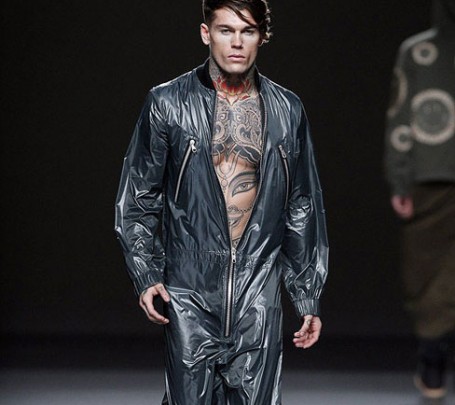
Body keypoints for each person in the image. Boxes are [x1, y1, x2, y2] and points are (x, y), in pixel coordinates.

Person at [115, 1, 329, 403]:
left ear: (262, 37)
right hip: (189, 290)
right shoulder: (167, 103)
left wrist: (306, 293)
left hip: (258, 288)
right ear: (206, 33)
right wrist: (146, 272)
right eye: (226, 30)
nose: (237, 42)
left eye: (248, 31)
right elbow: (140, 195)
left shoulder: (288, 110)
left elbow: (301, 205)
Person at [384, 0, 455, 399]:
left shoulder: (417, 51)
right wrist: (400, 181)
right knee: (429, 275)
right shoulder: (417, 51)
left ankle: (432, 362)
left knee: (427, 277)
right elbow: (402, 118)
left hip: (430, 177)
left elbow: (401, 120)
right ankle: (433, 359)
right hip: (431, 180)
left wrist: (400, 181)